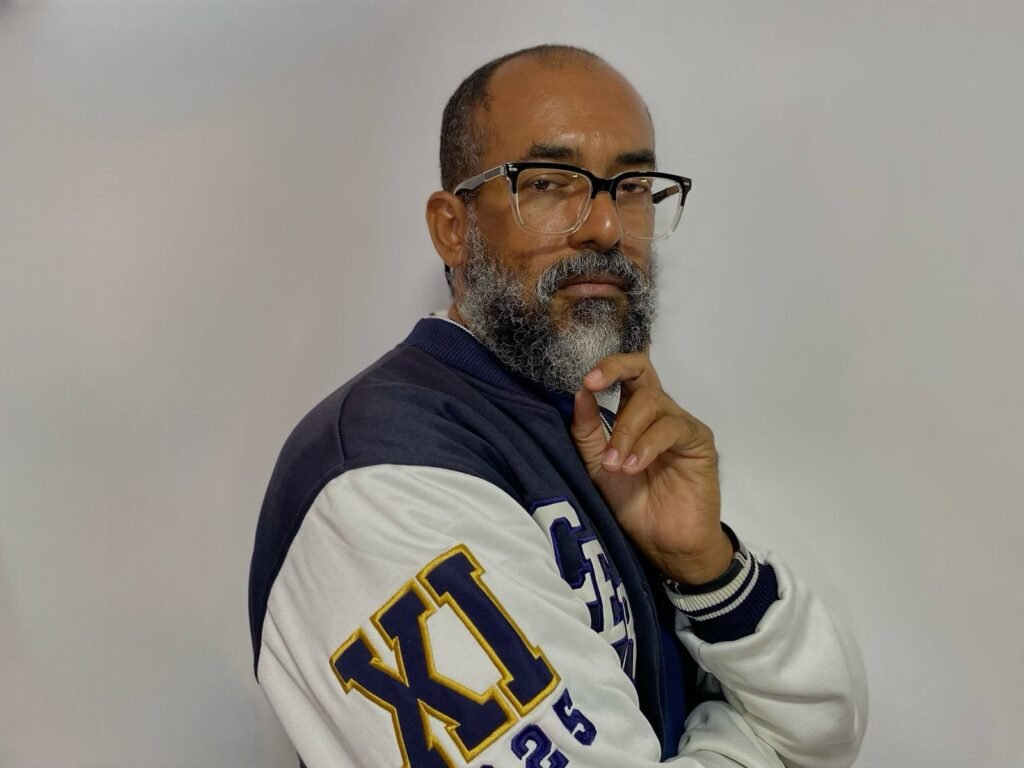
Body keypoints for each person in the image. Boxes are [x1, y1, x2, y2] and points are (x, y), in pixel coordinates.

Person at [248, 44, 867, 768]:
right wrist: (749, 741)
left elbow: (825, 727)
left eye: (632, 186)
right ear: (453, 227)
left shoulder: (603, 430)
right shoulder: (379, 469)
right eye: (546, 183)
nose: (605, 226)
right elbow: (790, 747)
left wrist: (705, 569)